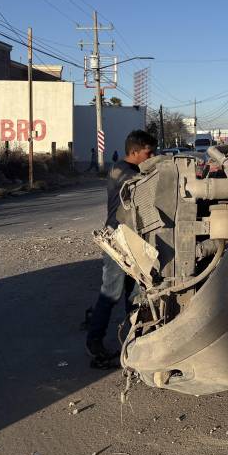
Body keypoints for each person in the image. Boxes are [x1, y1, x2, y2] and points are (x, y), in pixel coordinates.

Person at [85, 129, 157, 367]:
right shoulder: (125, 173)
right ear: (135, 151)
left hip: (133, 240)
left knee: (136, 294)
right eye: (149, 152)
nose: (152, 155)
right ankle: (94, 342)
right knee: (111, 292)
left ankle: (137, 340)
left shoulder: (126, 169)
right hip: (119, 239)